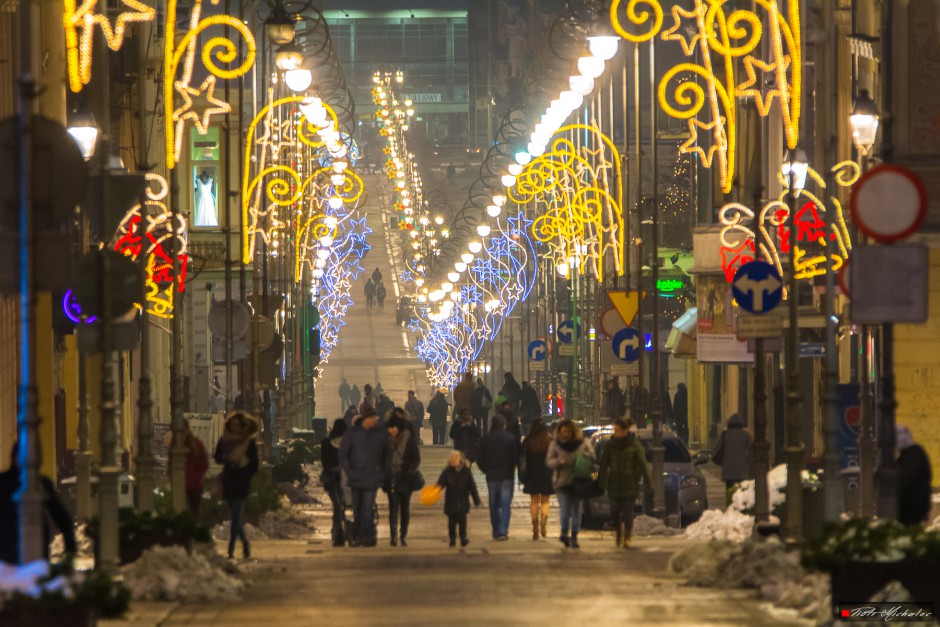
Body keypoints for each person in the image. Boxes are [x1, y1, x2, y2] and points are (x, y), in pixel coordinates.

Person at [0, 441, 76, 564]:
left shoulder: (4, 481)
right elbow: (60, 515)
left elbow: (60, 515)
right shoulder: (41, 483)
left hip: (10, 543)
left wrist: (70, 543)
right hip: (24, 542)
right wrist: (70, 545)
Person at [339, 406, 392, 547]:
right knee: (357, 509)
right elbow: (343, 454)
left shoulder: (380, 435)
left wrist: (383, 472)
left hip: (371, 478)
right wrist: (350, 471)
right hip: (356, 478)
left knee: (368, 508)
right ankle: (360, 534)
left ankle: (365, 536)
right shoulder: (353, 434)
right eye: (372, 418)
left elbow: (388, 453)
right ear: (366, 419)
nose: (375, 421)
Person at [214, 411, 260, 559]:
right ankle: (245, 542)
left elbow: (254, 464)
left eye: (237, 425)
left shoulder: (248, 442)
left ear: (242, 426)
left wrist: (244, 468)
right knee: (235, 515)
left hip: (241, 482)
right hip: (228, 480)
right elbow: (217, 457)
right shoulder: (225, 440)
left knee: (235, 513)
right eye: (232, 425)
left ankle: (231, 548)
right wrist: (228, 458)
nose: (235, 428)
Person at [598, 418, 650, 548]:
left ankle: (627, 537)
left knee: (628, 512)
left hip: (630, 484)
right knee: (614, 511)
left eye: (618, 431)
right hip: (614, 484)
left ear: (625, 430)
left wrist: (649, 483)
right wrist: (601, 482)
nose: (615, 433)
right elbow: (604, 464)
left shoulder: (634, 445)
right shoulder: (611, 445)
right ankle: (619, 531)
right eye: (614, 431)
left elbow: (643, 464)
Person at [546, 418, 595, 548]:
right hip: (562, 482)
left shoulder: (582, 443)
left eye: (567, 431)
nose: (565, 434)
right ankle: (563, 533)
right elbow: (549, 461)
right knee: (565, 510)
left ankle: (574, 536)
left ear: (573, 432)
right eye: (563, 432)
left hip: (578, 481)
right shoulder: (556, 444)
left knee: (576, 510)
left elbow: (592, 456)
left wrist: (583, 455)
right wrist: (558, 462)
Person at [476, 415, 521, 540]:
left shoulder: (486, 439)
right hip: (507, 475)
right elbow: (517, 458)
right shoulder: (511, 439)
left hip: (492, 476)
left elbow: (479, 459)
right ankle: (503, 530)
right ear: (503, 425)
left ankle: (496, 530)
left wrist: (486, 469)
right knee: (505, 504)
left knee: (493, 504)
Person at [384, 412, 421, 546]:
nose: (391, 430)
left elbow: (416, 459)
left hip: (406, 478)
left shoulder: (409, 440)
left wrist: (409, 472)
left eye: (393, 428)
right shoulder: (387, 440)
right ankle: (393, 535)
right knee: (393, 508)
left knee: (404, 508)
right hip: (392, 478)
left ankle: (403, 534)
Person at [437, 450, 481, 547]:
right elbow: (440, 484)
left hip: (463, 500)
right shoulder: (447, 471)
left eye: (456, 457)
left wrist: (476, 500)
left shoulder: (466, 472)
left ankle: (463, 537)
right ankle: (452, 538)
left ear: (461, 459)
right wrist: (434, 492)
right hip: (450, 501)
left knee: (462, 521)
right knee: (451, 522)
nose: (454, 459)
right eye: (452, 457)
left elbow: (472, 487)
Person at [521, 418, 553, 540]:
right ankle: (543, 522)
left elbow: (522, 456)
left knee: (534, 501)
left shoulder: (528, 441)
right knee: (545, 501)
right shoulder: (549, 440)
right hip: (546, 474)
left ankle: (535, 527)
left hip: (532, 474)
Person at [169, 419, 210, 516]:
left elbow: (204, 464)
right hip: (180, 485)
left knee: (194, 513)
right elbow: (170, 465)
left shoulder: (196, 444)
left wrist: (196, 477)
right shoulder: (174, 445)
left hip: (194, 487)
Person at [897, 425, 933, 526]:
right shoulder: (916, 453)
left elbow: (906, 482)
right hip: (917, 506)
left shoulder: (911, 457)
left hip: (911, 508)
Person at [320, 419, 348, 547]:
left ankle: (339, 528)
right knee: (337, 505)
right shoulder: (327, 443)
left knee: (341, 504)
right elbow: (325, 462)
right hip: (332, 478)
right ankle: (337, 529)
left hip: (343, 479)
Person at [712, 413, 753, 492]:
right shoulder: (746, 434)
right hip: (742, 469)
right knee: (741, 490)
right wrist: (747, 461)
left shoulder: (725, 434)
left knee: (729, 489)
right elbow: (752, 451)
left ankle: (730, 502)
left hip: (728, 469)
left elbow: (716, 448)